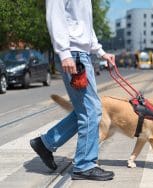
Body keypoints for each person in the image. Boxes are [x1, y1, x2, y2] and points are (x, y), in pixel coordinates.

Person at [30, 0, 115, 181]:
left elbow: (84, 25)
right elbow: (55, 17)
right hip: (73, 55)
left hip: (82, 54)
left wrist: (100, 52)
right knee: (91, 111)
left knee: (87, 110)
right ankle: (84, 165)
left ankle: (46, 143)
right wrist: (64, 52)